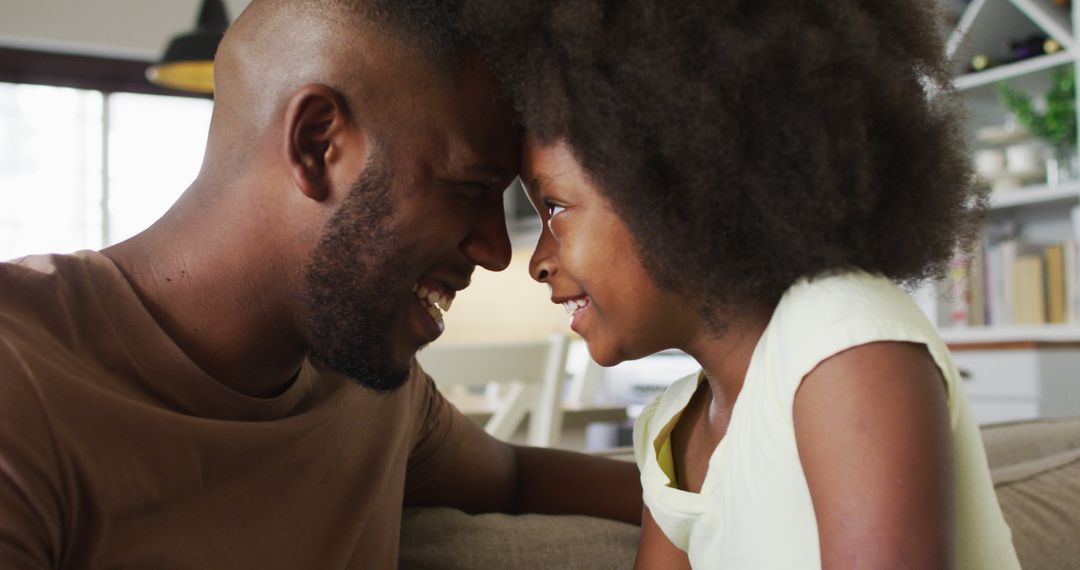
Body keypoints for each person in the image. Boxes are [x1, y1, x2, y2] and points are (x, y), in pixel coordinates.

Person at [0, 1, 641, 567]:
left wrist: (720, 485)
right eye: (468, 188)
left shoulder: (367, 381)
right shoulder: (23, 385)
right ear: (316, 144)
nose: (498, 252)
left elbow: (514, 479)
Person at [464, 0, 1021, 568]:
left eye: (554, 207)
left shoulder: (839, 340)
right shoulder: (670, 430)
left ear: (673, 187)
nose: (536, 261)